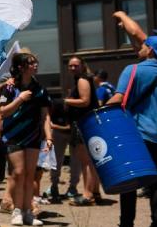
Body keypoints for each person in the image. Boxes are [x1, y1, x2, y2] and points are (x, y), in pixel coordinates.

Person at [106, 36, 157, 227]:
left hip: (133, 136)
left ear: (150, 50)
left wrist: (96, 115)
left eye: (143, 46)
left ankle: (126, 224)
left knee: (130, 182)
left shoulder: (132, 70)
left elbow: (118, 99)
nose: (139, 49)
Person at [0, 53, 52, 226]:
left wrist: (49, 138)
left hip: (33, 136)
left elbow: (45, 116)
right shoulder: (10, 87)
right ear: (21, 67)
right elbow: (3, 112)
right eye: (31, 63)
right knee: (19, 173)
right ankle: (16, 211)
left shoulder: (40, 89)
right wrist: (20, 99)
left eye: (36, 62)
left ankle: (27, 212)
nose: (35, 65)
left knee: (31, 176)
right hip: (13, 135)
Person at [64, 56, 100, 206]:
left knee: (86, 162)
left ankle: (87, 194)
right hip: (85, 124)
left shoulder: (82, 80)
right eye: (70, 66)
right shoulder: (83, 79)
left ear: (82, 66)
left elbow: (85, 101)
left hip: (83, 124)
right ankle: (94, 192)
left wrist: (65, 101)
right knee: (90, 161)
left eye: (76, 65)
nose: (73, 68)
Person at [44, 99, 81, 204]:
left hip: (72, 133)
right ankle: (53, 186)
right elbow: (49, 121)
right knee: (56, 159)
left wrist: (54, 126)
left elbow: (69, 126)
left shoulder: (74, 108)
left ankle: (73, 187)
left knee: (75, 161)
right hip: (58, 133)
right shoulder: (55, 106)